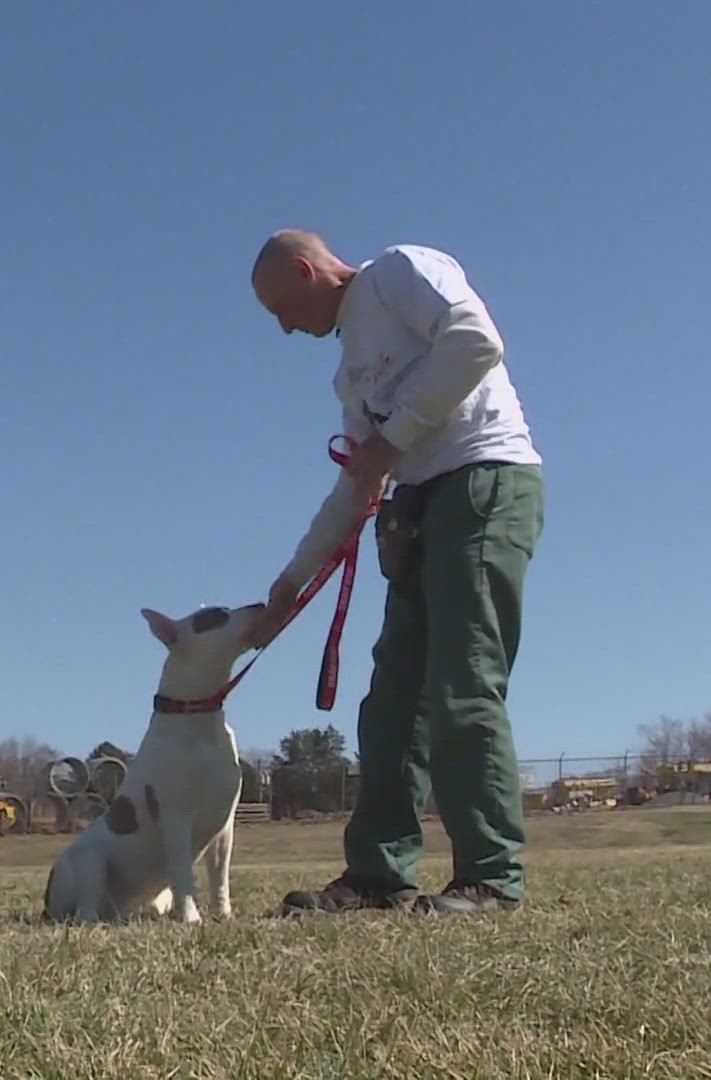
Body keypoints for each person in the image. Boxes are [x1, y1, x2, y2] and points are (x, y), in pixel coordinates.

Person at [247, 229, 544, 915]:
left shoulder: (400, 273)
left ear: (305, 269)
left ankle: (491, 879)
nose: (287, 328)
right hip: (413, 506)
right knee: (393, 702)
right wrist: (292, 580)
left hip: (484, 481)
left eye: (282, 308)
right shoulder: (350, 372)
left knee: (463, 682)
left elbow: (476, 341)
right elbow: (357, 483)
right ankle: (379, 874)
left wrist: (392, 438)